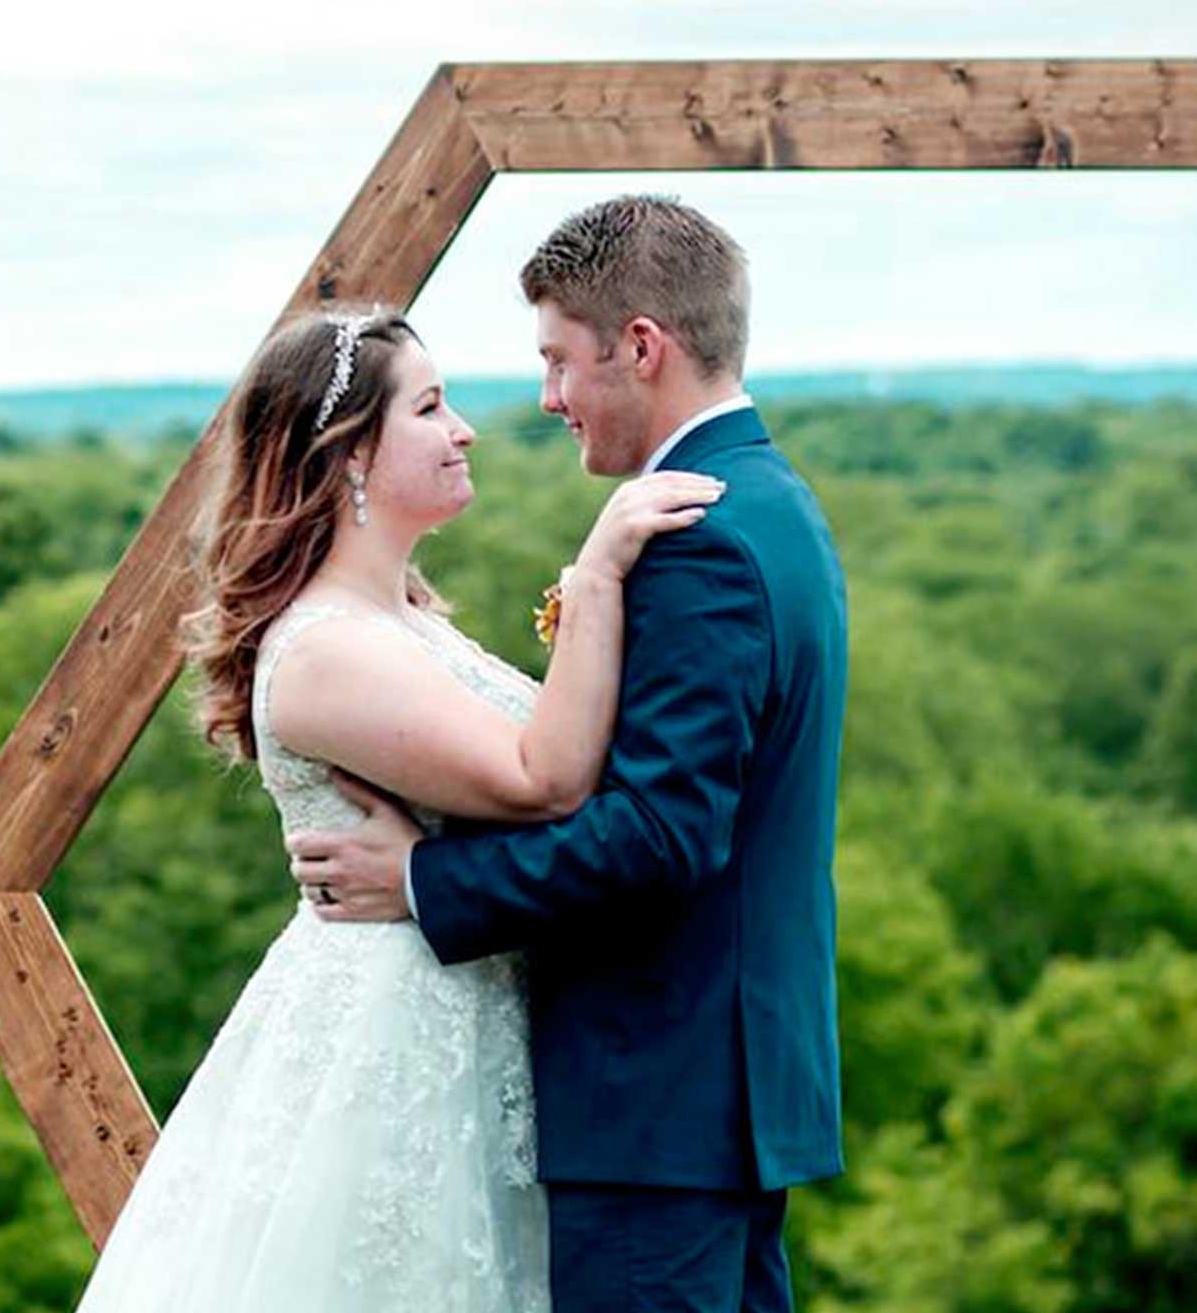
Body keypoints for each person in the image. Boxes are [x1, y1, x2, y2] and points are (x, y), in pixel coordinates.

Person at [71, 301, 720, 1311]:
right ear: (347, 459)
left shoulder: (399, 613)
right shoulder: (324, 647)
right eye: (428, 407)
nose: (462, 429)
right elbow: (542, 779)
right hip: (392, 1042)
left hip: (467, 1010)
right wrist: (594, 578)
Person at [292, 195, 849, 1313]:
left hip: (655, 1103)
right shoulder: (770, 505)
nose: (545, 398)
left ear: (639, 346)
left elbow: (658, 837)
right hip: (710, 1100)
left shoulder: (699, 543)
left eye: (557, 360)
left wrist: (418, 881)